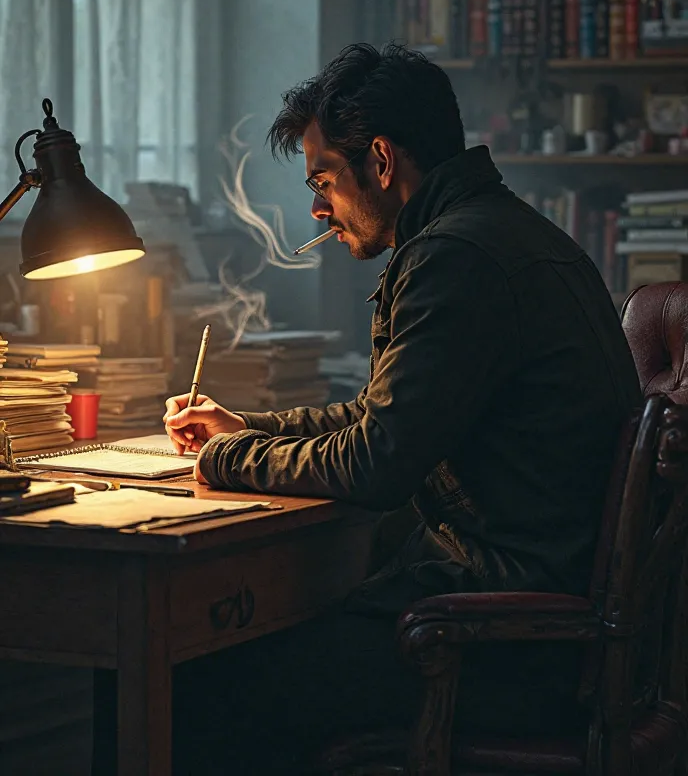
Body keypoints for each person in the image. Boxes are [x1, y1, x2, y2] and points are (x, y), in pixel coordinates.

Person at [165, 43, 640, 775]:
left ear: (381, 162)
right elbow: (382, 414)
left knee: (197, 678)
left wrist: (223, 458)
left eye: (323, 180)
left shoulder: (452, 258)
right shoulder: (506, 230)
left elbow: (378, 462)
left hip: (505, 641)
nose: (318, 209)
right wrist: (248, 427)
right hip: (537, 615)